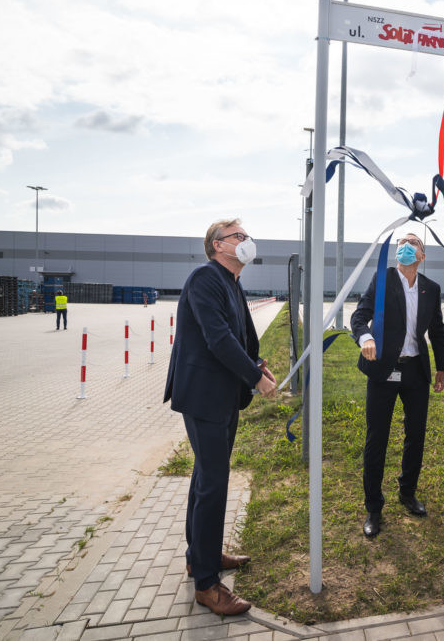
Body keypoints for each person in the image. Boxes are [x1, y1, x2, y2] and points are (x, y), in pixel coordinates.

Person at [163, 219, 277, 615]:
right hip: (203, 396)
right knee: (213, 484)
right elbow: (218, 338)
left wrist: (258, 365)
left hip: (222, 396)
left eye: (246, 235)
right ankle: (208, 586)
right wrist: (254, 378)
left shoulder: (230, 281)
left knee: (205, 479)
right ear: (218, 245)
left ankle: (201, 556)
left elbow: (241, 336)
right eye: (238, 236)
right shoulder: (205, 278)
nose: (246, 241)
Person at [350, 233, 444, 538]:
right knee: (376, 437)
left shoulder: (431, 288)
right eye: (401, 242)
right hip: (383, 370)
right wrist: (365, 338)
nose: (405, 245)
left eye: (413, 242)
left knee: (415, 434)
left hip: (415, 371)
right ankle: (373, 508)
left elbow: (436, 328)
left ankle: (407, 493)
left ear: (422, 255)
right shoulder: (383, 279)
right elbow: (359, 317)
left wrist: (442, 368)